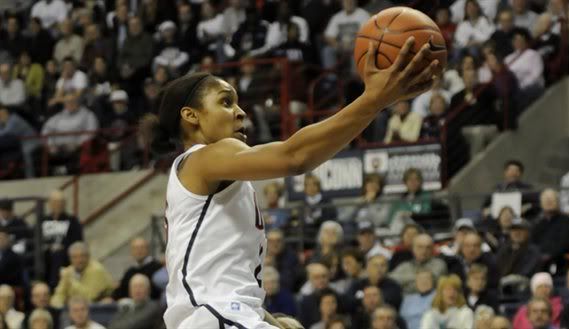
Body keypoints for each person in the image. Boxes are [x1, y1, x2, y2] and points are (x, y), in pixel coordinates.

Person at [138, 34, 438, 328]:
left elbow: (220, 278)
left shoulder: (205, 173)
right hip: (216, 316)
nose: (240, 112)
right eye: (226, 102)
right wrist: (374, 100)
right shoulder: (205, 158)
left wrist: (268, 320)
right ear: (191, 116)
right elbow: (295, 156)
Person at [49, 242, 115, 308]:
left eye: (82, 256)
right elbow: (59, 294)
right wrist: (56, 306)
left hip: (100, 308)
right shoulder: (69, 271)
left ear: (88, 256)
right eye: (75, 257)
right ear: (70, 259)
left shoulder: (97, 270)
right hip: (77, 308)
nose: (79, 260)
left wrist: (71, 280)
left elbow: (89, 297)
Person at [41, 190, 83, 288]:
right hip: (45, 253)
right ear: (50, 204)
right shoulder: (42, 221)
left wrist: (62, 247)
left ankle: (54, 285)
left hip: (65, 255)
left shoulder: (72, 221)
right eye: (56, 202)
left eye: (61, 202)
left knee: (57, 255)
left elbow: (77, 241)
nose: (59, 205)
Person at [532, 188, 569, 274]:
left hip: (561, 264)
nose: (549, 202)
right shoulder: (537, 224)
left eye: (552, 199)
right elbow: (533, 244)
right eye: (546, 200)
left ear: (558, 202)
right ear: (541, 204)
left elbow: (565, 244)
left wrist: (548, 256)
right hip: (539, 265)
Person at [299, 263, 335, 328]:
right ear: (310, 279)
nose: (321, 280)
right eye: (316, 277)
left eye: (324, 276)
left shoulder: (335, 294)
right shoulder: (306, 300)